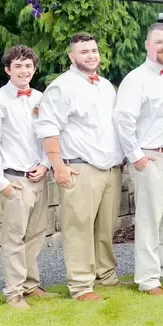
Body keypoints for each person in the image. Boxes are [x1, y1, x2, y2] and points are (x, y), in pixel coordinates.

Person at [35, 33, 124, 302]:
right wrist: (58, 166)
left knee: (105, 228)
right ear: (71, 57)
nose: (91, 55)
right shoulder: (62, 87)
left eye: (94, 50)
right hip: (80, 167)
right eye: (84, 51)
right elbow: (48, 127)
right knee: (79, 229)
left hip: (110, 168)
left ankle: (105, 276)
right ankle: (81, 286)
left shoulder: (106, 86)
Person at [113, 23, 163, 296]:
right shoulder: (136, 79)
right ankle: (148, 279)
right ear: (147, 45)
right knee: (149, 221)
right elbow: (123, 119)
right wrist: (137, 158)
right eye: (158, 42)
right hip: (151, 158)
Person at [0, 46, 55, 309]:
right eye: (18, 66)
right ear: (7, 69)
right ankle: (13, 293)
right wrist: (1, 183)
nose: (24, 71)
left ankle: (30, 285)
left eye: (28, 66)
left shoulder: (41, 98)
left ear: (34, 69)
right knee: (15, 239)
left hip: (39, 177)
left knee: (36, 234)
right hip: (14, 179)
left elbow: (50, 136)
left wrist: (45, 165)